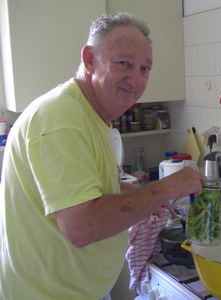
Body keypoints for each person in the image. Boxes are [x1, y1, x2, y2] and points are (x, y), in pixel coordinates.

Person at [0, 12, 205, 300]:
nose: (136, 80)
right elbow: (81, 226)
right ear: (89, 59)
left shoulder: (91, 114)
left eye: (145, 68)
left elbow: (69, 193)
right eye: (124, 63)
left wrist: (125, 192)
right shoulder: (61, 119)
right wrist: (165, 188)